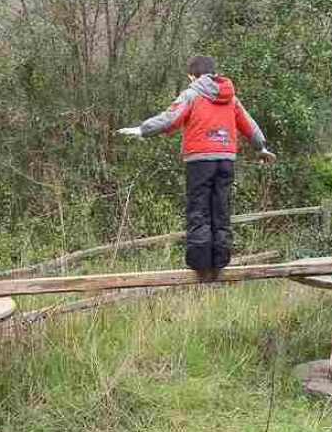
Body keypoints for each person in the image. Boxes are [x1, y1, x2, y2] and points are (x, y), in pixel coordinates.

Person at [118, 55, 276, 278]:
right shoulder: (231, 98)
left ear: (192, 75)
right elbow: (248, 124)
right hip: (226, 159)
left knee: (199, 209)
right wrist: (261, 146)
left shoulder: (192, 94)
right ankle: (220, 261)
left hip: (200, 160)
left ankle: (201, 265)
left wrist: (143, 130)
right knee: (221, 209)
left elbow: (170, 118)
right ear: (213, 72)